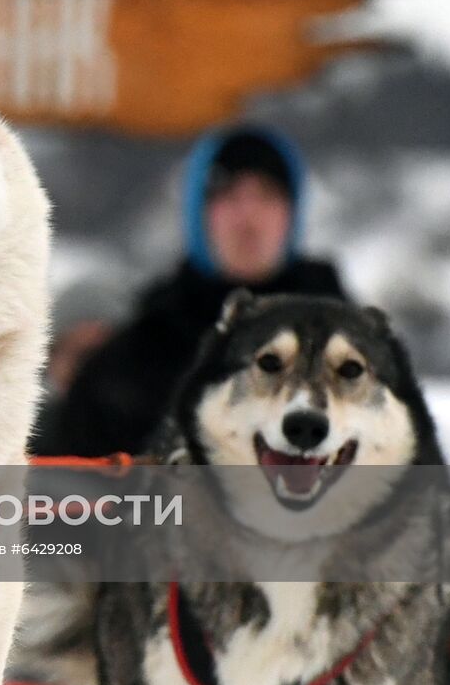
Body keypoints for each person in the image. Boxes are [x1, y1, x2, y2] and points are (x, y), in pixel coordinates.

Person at [36, 125, 348, 458]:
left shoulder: (351, 350)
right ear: (198, 210)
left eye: (267, 195)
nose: (248, 215)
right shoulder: (138, 355)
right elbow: (61, 481)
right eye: (228, 196)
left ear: (293, 211)